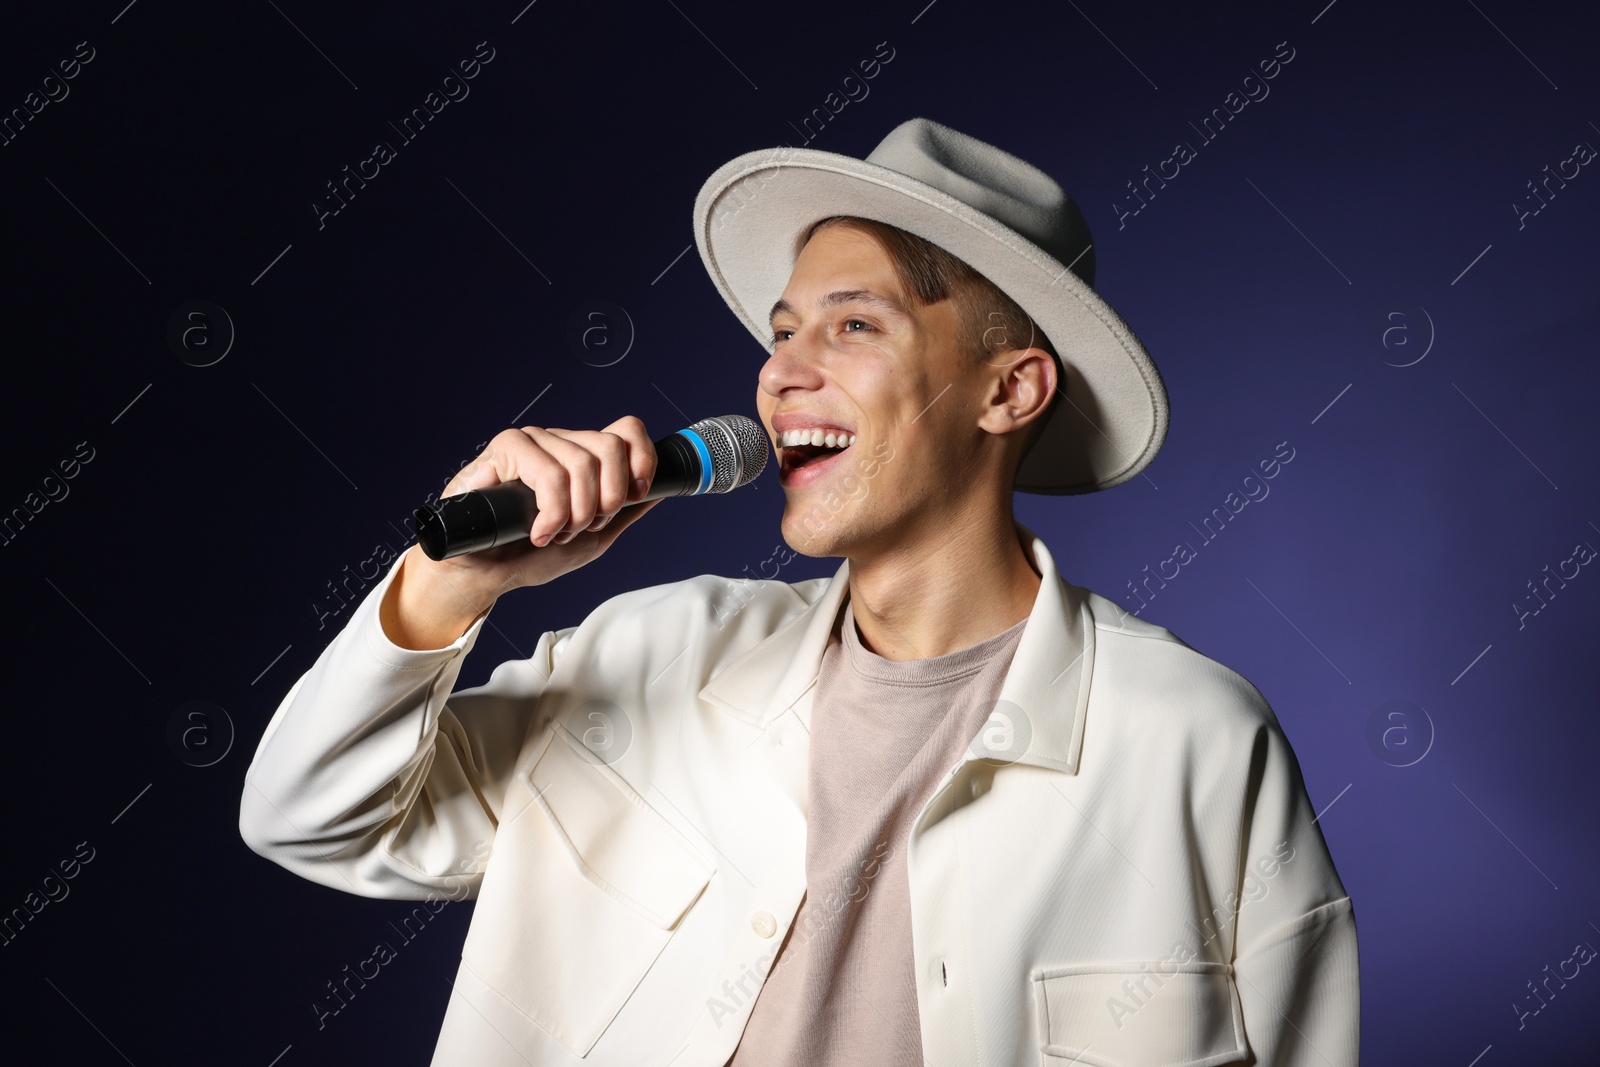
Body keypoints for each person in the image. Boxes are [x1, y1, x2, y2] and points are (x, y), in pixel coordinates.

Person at [240, 117, 1358, 1066]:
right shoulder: (649, 650)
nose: (782, 369)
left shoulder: (1192, 741)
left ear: (1008, 389)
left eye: (853, 325)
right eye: (782, 332)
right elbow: (311, 819)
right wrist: (451, 580)